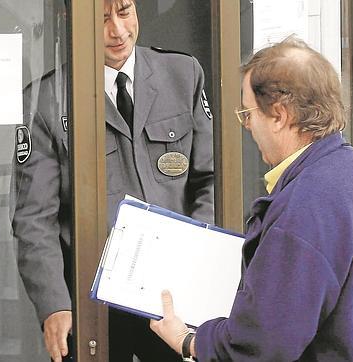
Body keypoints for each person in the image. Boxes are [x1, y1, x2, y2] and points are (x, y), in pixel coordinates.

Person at [150, 36, 353, 361]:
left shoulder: (305, 206)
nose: (246, 126)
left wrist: (189, 341)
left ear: (280, 115)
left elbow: (261, 346)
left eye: (247, 113)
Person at [11, 0, 215, 360]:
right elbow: (34, 220)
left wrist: (196, 263)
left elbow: (209, 179)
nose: (117, 30)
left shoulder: (183, 74)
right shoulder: (45, 101)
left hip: (174, 292)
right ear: (70, 20)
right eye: (102, 18)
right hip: (93, 298)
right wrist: (53, 305)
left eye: (124, 11)